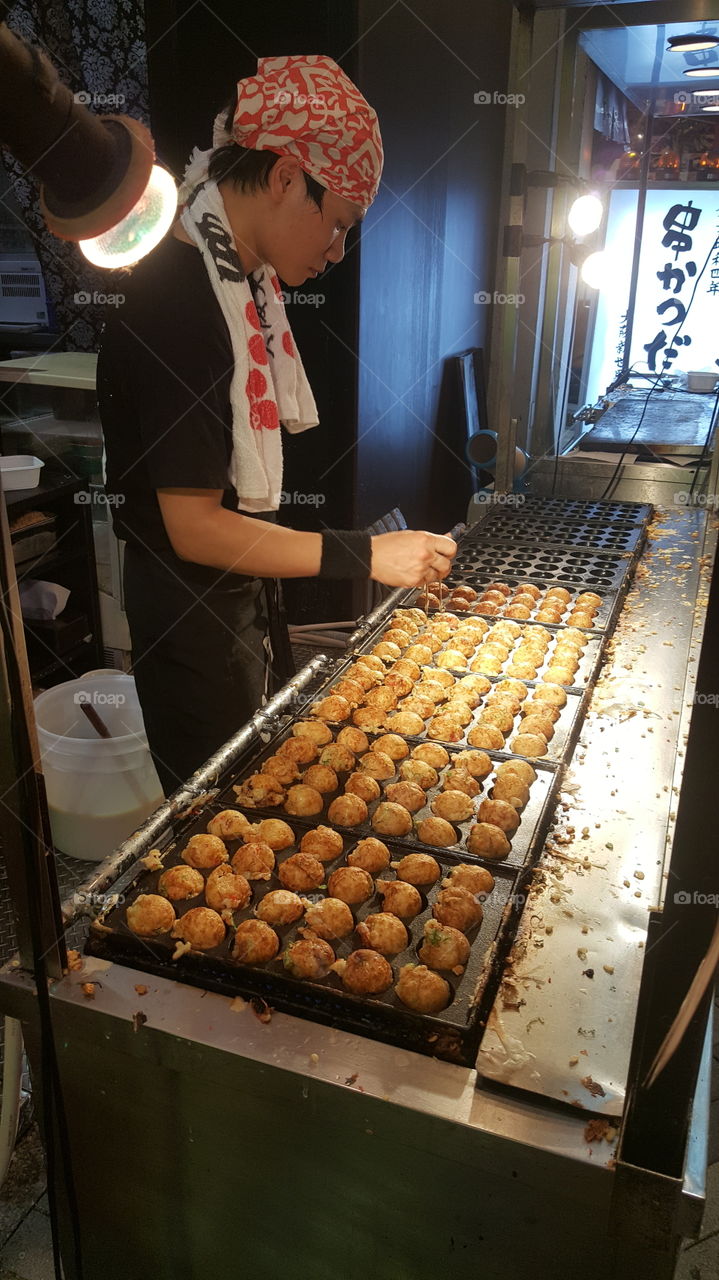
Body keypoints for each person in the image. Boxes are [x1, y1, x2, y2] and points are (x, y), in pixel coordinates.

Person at [98, 55, 456, 796]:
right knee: (215, 812)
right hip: (188, 603)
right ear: (289, 177)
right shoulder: (182, 303)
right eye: (338, 225)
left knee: (253, 781)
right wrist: (365, 555)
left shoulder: (239, 283)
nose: (335, 252)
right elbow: (194, 528)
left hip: (228, 592)